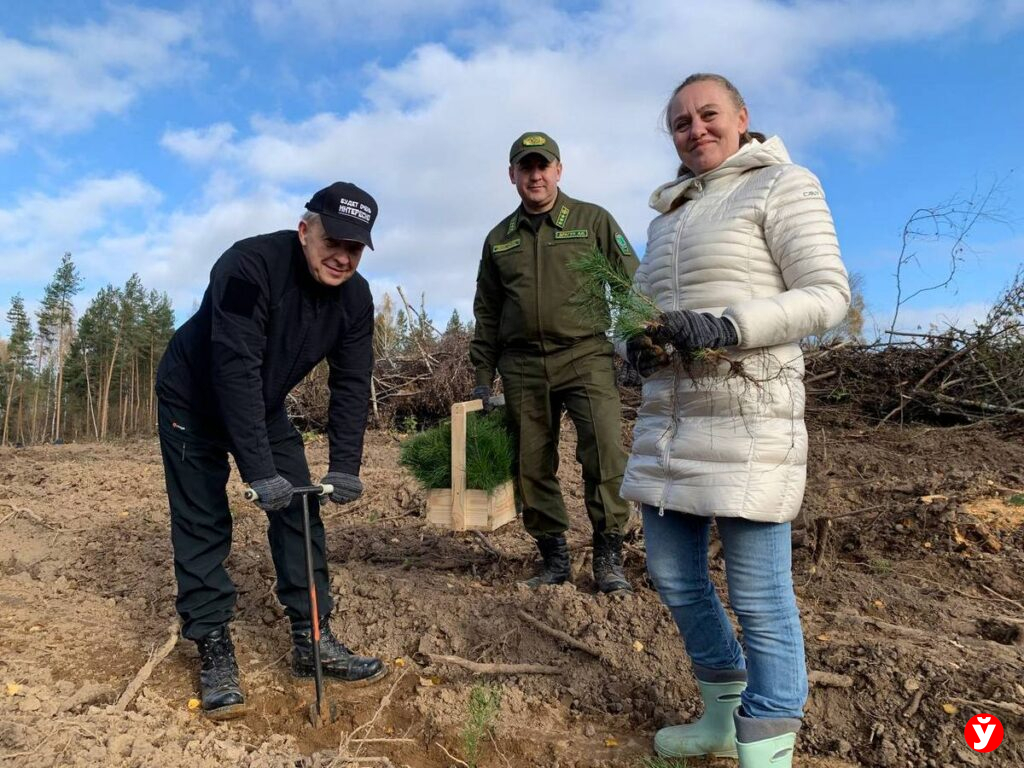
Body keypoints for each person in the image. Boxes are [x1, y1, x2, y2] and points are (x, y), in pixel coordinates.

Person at [620, 74, 850, 767]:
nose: (696, 130)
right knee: (675, 578)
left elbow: (828, 294)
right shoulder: (666, 220)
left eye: (708, 114)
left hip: (749, 425)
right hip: (670, 428)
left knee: (759, 596)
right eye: (681, 123)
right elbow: (637, 309)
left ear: (742, 117)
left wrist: (725, 326)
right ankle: (720, 717)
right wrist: (629, 344)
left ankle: (767, 745)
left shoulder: (783, 185)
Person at [155, 182, 388, 719]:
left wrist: (345, 466)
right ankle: (214, 644)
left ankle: (313, 638)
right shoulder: (247, 266)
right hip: (192, 399)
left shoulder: (355, 298)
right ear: (305, 230)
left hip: (261, 402)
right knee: (203, 518)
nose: (343, 257)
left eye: (355, 248)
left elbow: (352, 383)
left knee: (301, 511)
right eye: (333, 240)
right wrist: (259, 472)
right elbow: (233, 365)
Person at [470, 132, 640, 594]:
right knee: (532, 464)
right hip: (521, 365)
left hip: (585, 356)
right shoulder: (499, 239)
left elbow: (632, 286)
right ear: (513, 176)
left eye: (543, 165)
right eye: (525, 168)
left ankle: (608, 557)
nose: (536, 175)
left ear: (559, 170)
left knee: (604, 453)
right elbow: (486, 312)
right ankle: (554, 559)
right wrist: (483, 378)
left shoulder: (593, 220)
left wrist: (642, 341)